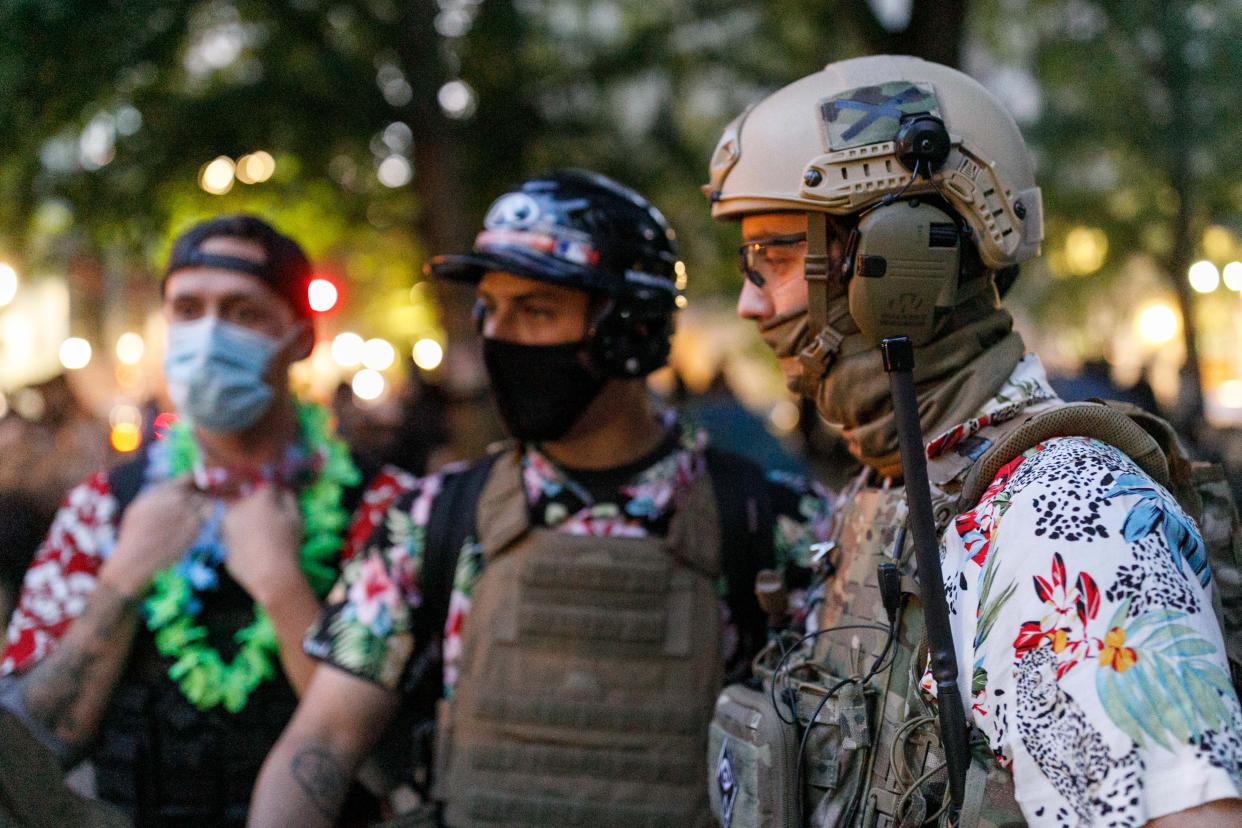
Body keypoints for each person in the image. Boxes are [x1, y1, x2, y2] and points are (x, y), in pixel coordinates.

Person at [704, 55, 1242, 827]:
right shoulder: (900, 484)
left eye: (776, 258)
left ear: (903, 264)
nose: (752, 304)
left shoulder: (1063, 516)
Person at [247, 170, 832, 827]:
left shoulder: (772, 522)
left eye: (536, 311)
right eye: (491, 310)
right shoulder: (431, 518)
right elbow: (322, 741)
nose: (502, 339)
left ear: (630, 329)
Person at [0, 215, 412, 827]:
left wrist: (282, 587)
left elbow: (395, 765)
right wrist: (124, 577)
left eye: (243, 313)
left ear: (300, 337)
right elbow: (34, 747)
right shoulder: (102, 509)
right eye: (187, 309)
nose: (209, 334)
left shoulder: (387, 511)